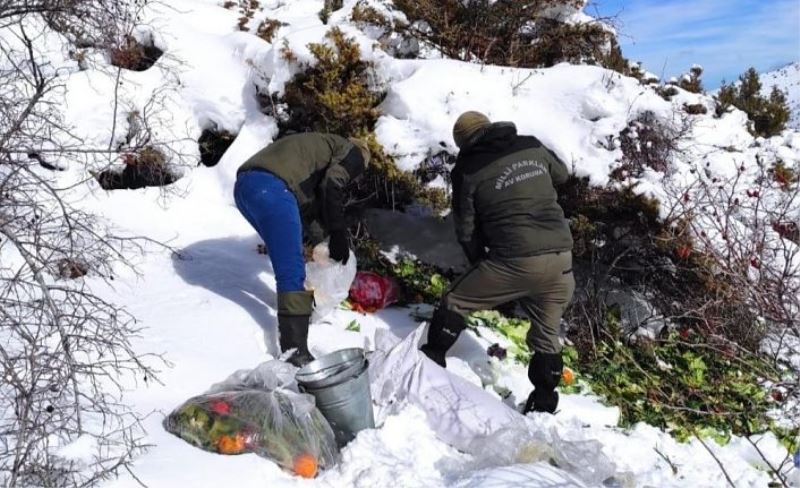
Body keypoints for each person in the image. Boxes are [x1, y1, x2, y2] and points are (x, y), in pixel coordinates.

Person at [420, 111, 575, 414]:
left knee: (455, 301)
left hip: (515, 260)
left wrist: (481, 263)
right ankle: (544, 403)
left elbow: (465, 227)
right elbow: (562, 175)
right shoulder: (531, 145)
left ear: (463, 143)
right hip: (561, 259)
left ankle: (431, 360)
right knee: (547, 335)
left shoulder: (468, 168)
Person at [235, 132, 370, 367]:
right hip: (271, 188)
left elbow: (307, 212)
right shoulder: (354, 152)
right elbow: (333, 185)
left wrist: (324, 242)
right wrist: (338, 233)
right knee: (291, 269)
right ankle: (295, 351)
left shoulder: (316, 153)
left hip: (244, 188)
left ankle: (295, 334)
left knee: (290, 257)